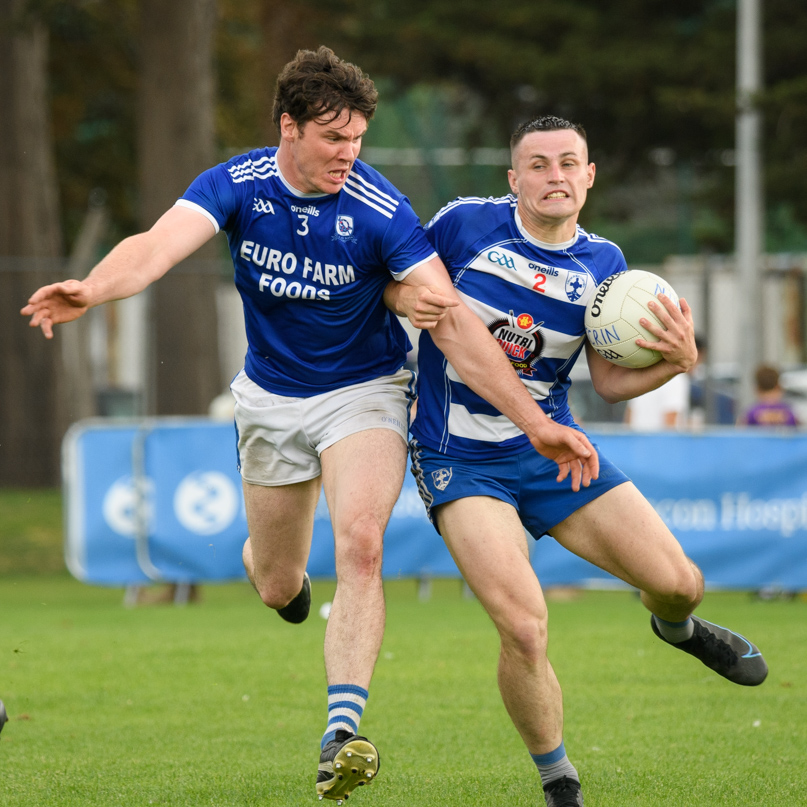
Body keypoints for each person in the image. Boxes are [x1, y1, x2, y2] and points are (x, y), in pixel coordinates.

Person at [21, 50, 598, 804]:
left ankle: (341, 730)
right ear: (286, 127)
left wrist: (529, 418)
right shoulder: (237, 184)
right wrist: (91, 289)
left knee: (361, 543)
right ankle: (279, 578)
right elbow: (156, 249)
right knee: (275, 579)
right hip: (269, 401)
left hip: (365, 393)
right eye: (332, 138)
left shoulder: (379, 208)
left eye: (357, 137)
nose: (347, 154)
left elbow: (450, 319)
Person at [385, 115, 768, 807]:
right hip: (460, 459)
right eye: (537, 164)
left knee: (681, 582)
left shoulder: (605, 265)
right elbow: (396, 285)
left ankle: (676, 627)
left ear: (588, 176)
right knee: (524, 623)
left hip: (555, 456)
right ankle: (559, 782)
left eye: (567, 162)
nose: (553, 175)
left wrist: (677, 364)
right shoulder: (463, 225)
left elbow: (611, 379)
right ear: (513, 178)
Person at [624, 334, 706, 430]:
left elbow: (629, 414)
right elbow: (670, 421)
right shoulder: (677, 378)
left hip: (637, 441)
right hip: (658, 442)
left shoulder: (648, 372)